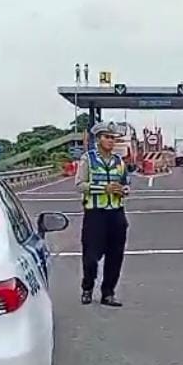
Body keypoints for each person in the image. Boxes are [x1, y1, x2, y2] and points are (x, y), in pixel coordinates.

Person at [75, 122, 131, 306]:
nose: (110, 141)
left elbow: (126, 183)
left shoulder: (119, 161)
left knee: (115, 256)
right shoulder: (88, 159)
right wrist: (103, 189)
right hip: (95, 214)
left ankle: (108, 293)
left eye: (113, 138)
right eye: (107, 137)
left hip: (116, 213)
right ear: (98, 139)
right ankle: (87, 288)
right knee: (91, 256)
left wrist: (123, 190)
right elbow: (79, 185)